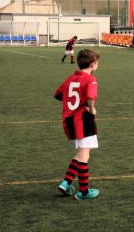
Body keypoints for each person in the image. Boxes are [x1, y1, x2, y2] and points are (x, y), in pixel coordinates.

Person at [54, 49, 101, 200]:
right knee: (83, 155)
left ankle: (66, 182)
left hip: (70, 120)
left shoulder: (71, 78)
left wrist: (71, 105)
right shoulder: (90, 79)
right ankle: (84, 191)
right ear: (93, 64)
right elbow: (90, 97)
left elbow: (58, 94)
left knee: (84, 153)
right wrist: (92, 110)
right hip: (82, 120)